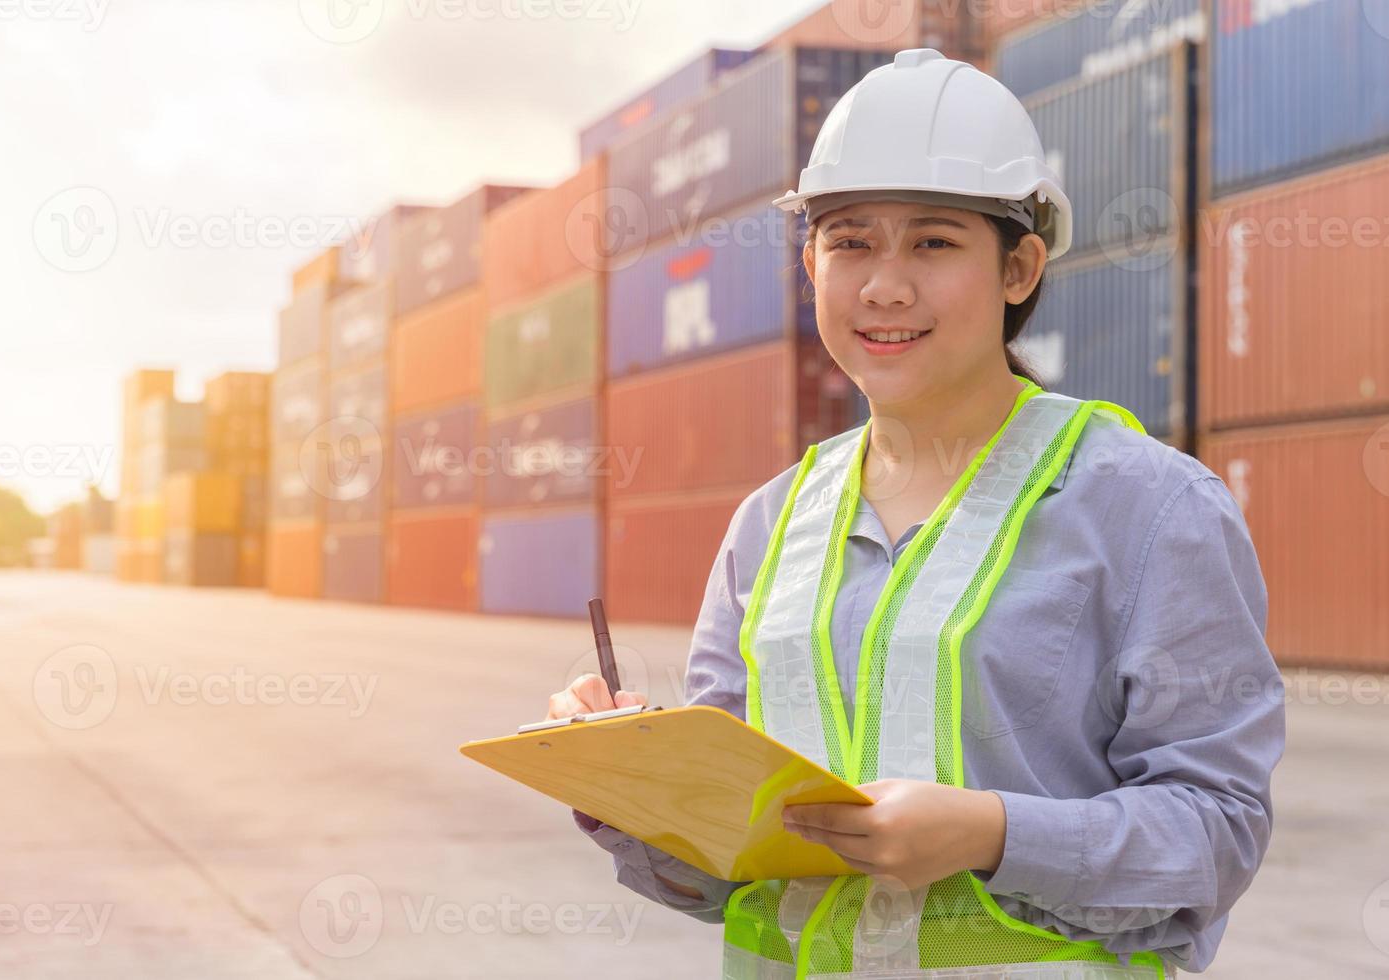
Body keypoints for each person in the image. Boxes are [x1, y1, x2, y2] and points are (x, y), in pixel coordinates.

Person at [544, 49, 1283, 979]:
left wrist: (993, 833)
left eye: (933, 243)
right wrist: (629, 791)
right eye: (850, 242)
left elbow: (1216, 837)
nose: (884, 286)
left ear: (1020, 268)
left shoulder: (1151, 510)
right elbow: (727, 878)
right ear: (811, 261)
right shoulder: (769, 526)